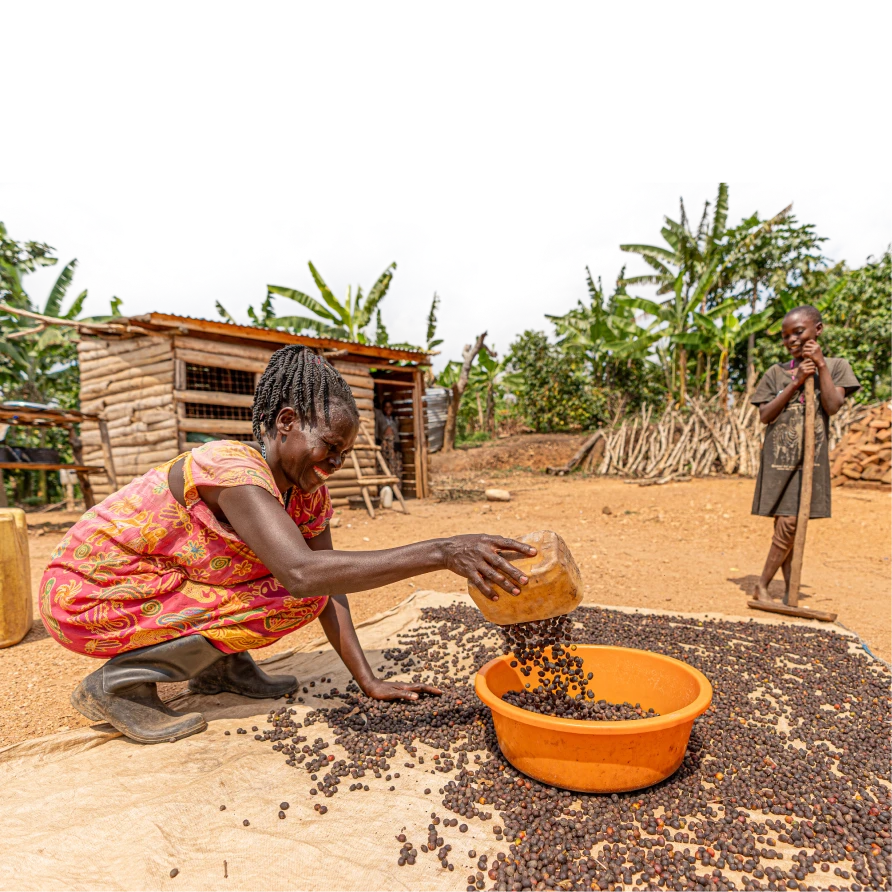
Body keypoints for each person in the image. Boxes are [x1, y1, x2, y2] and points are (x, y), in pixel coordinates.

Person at [39, 346, 536, 745]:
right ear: (286, 422)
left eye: (344, 454)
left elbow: (330, 581)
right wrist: (442, 551)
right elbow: (303, 574)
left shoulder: (306, 497)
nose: (335, 462)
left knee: (299, 591)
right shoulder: (232, 469)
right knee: (291, 594)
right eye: (330, 446)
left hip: (153, 585)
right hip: (89, 593)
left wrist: (369, 681)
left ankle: (218, 666)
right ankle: (119, 685)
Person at [750, 306, 860, 603]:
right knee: (787, 524)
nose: (792, 340)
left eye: (799, 332)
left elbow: (833, 405)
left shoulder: (837, 366)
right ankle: (765, 586)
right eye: (786, 336)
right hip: (778, 460)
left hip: (810, 461)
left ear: (818, 330)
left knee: (791, 524)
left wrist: (820, 366)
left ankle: (784, 590)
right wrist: (796, 382)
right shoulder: (776, 373)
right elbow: (765, 415)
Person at [375, 399, 403, 484]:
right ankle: (387, 488)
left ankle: (397, 489)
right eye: (386, 407)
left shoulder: (395, 420)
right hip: (385, 445)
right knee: (385, 466)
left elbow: (397, 434)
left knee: (396, 466)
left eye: (390, 407)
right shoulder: (380, 418)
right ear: (383, 408)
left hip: (394, 444)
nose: (388, 409)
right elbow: (377, 431)